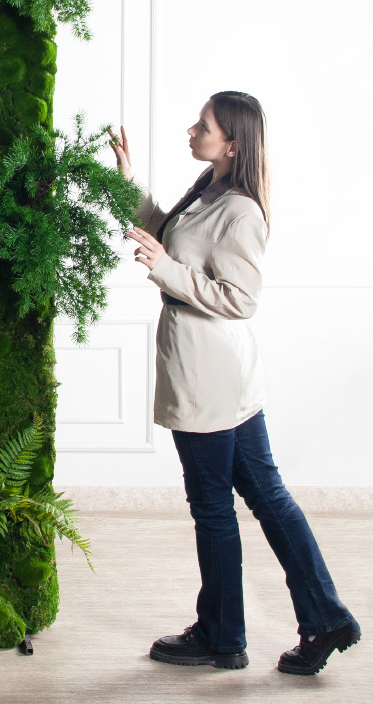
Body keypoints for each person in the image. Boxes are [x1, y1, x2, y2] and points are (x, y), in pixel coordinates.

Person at [110, 91, 360, 676]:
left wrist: (165, 270)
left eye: (203, 126)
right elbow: (167, 235)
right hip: (222, 378)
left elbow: (241, 299)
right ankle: (325, 618)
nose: (191, 131)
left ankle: (222, 637)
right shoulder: (209, 188)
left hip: (210, 380)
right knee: (267, 498)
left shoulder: (241, 210)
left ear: (232, 144)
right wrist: (128, 182)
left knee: (214, 508)